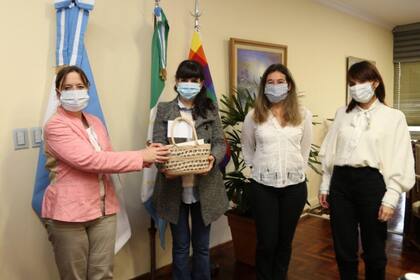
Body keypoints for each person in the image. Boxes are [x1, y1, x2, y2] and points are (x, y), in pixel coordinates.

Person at [42, 65, 169, 280]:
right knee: (75, 276)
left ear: (87, 88)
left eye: (80, 86)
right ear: (58, 93)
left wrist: (149, 157)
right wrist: (140, 156)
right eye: (68, 87)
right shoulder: (55, 126)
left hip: (104, 210)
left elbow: (108, 159)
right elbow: (89, 160)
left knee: (103, 274)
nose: (75, 91)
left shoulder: (95, 122)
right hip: (69, 214)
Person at [318, 61, 415, 280]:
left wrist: (391, 198)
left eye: (362, 81)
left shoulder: (393, 117)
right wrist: (325, 184)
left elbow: (401, 159)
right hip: (341, 182)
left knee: (374, 250)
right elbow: (331, 151)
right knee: (343, 248)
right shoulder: (342, 113)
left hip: (371, 183)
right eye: (352, 83)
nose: (356, 87)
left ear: (375, 83)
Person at [152, 60, 229, 280]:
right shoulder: (165, 109)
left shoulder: (210, 108)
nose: (188, 84)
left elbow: (220, 143)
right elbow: (157, 144)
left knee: (203, 247)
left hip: (204, 187)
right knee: (181, 247)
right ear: (176, 82)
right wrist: (163, 167)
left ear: (201, 83)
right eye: (184, 79)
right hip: (173, 188)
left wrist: (212, 159)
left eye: (193, 80)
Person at [241, 63, 312, 280]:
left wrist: (293, 169)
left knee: (284, 242)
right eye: (270, 82)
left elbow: (305, 149)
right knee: (266, 242)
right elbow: (248, 149)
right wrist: (260, 169)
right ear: (264, 87)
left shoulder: (303, 114)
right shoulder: (253, 116)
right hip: (264, 188)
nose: (275, 86)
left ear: (289, 85)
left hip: (294, 187)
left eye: (280, 82)